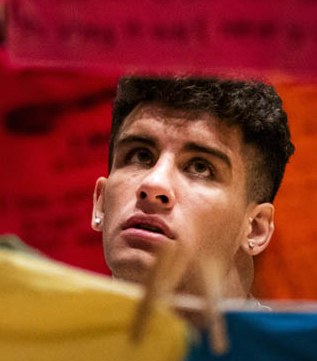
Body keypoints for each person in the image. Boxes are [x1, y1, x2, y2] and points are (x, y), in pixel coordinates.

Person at [91, 75, 294, 298]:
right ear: (101, 203)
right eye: (141, 155)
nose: (153, 184)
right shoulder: (48, 330)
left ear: (255, 229)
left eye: (200, 167)